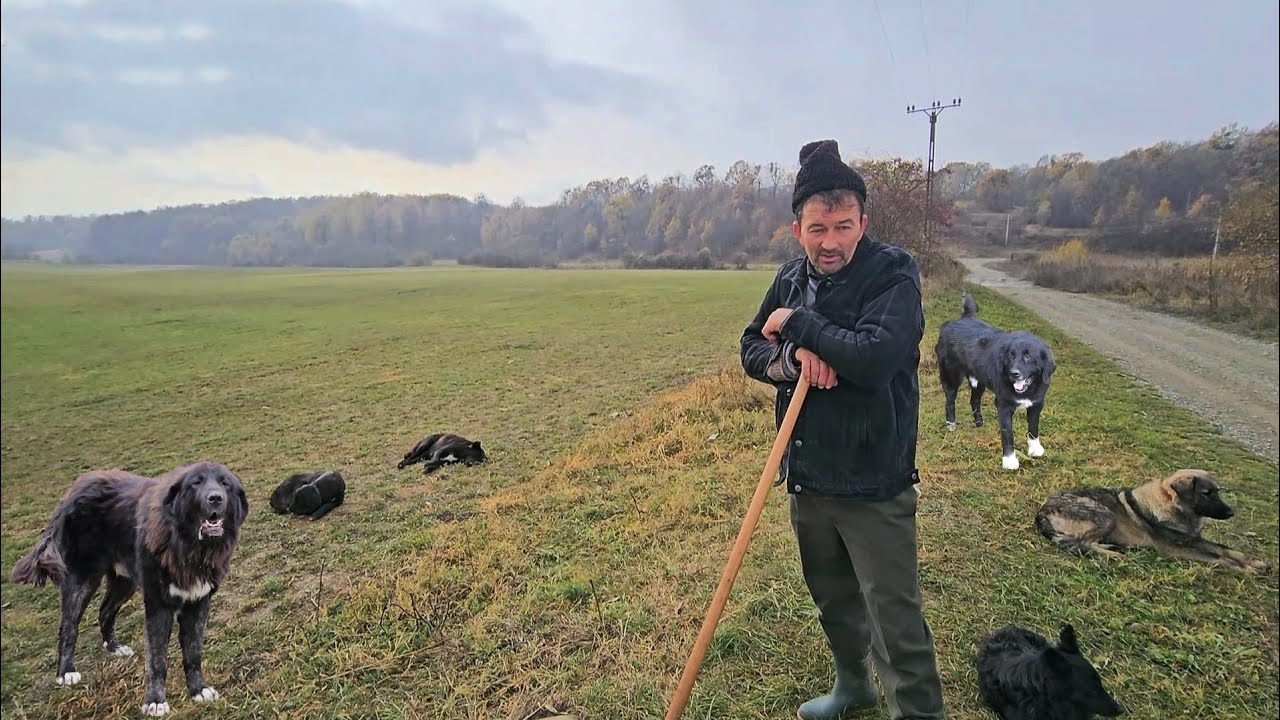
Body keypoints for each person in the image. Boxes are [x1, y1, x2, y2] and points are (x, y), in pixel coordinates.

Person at [739, 139, 945, 720]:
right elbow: (751, 344)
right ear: (797, 228)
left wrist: (799, 325)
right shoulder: (789, 277)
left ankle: (919, 713)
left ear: (863, 223)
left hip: (874, 477)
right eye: (817, 229)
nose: (830, 242)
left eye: (843, 227)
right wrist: (791, 359)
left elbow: (875, 359)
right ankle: (854, 686)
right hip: (808, 473)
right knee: (833, 600)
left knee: (895, 617)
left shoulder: (893, 273)